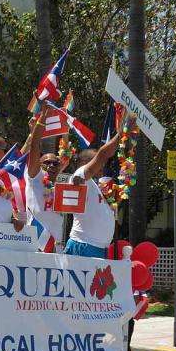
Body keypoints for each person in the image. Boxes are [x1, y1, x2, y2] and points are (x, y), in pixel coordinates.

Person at [64, 109, 134, 258]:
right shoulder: (79, 176)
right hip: (83, 245)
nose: (102, 165)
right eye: (96, 161)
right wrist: (122, 133)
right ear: (84, 163)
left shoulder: (95, 185)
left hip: (98, 248)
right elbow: (103, 155)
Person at [25, 105, 68, 252]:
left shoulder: (60, 186)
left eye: (55, 163)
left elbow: (66, 156)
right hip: (35, 242)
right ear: (39, 164)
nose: (51, 166)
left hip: (57, 245)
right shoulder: (34, 177)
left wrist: (65, 131)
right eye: (47, 163)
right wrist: (42, 120)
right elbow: (34, 146)